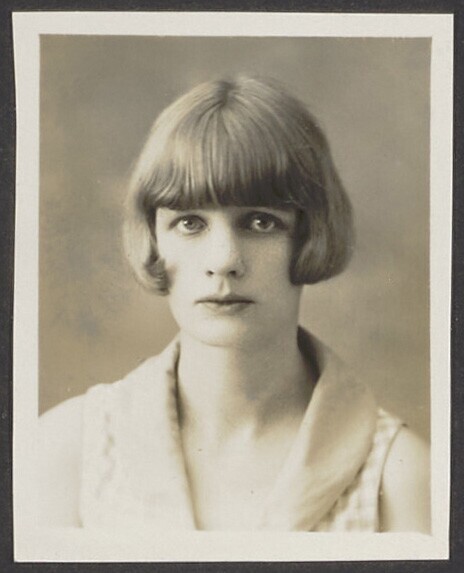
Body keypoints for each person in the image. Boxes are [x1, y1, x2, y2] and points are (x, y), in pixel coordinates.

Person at [38, 75, 430, 533]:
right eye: (190, 223)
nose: (223, 261)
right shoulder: (68, 452)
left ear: (310, 236)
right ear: (155, 240)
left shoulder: (399, 478)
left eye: (261, 222)